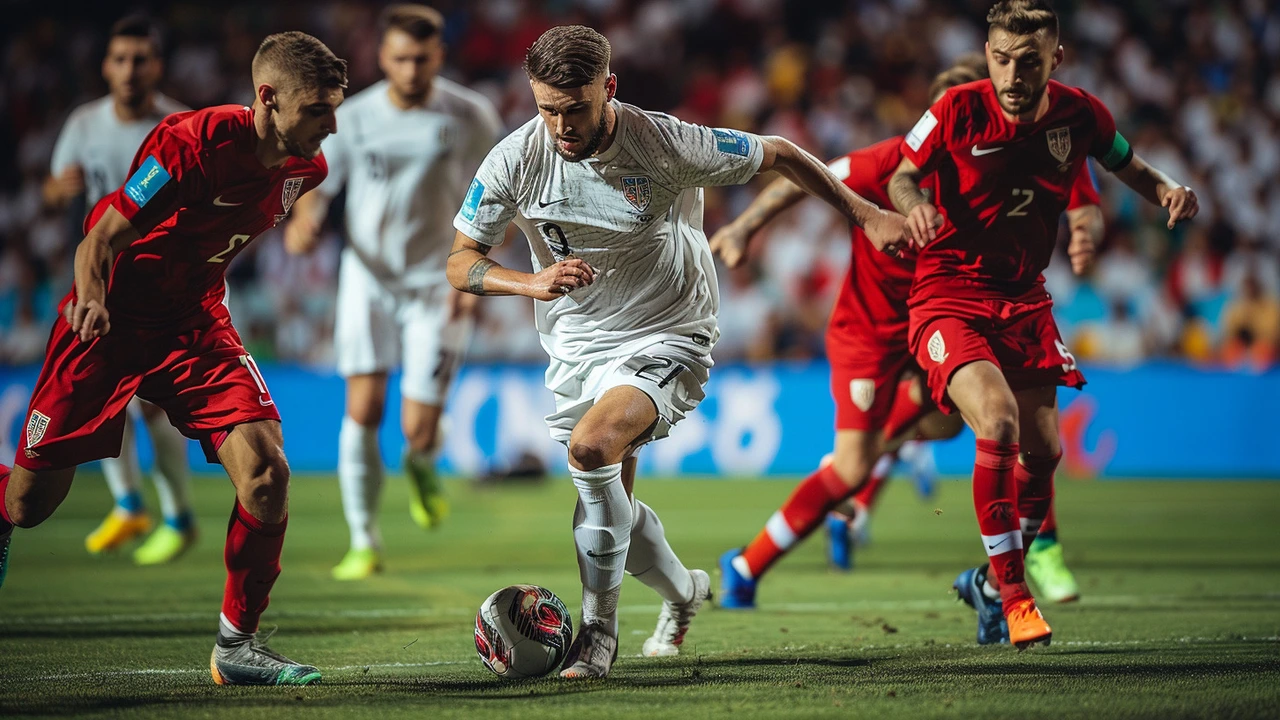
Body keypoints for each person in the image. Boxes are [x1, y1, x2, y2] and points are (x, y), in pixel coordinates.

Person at [448, 25, 909, 679]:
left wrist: (866, 215)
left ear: (608, 88)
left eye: (574, 107)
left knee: (591, 449)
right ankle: (687, 590)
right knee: (610, 498)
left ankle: (599, 635)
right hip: (577, 343)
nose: (560, 124)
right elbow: (459, 261)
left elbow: (779, 153)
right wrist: (530, 281)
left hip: (671, 327)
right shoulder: (514, 160)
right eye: (547, 108)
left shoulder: (662, 141)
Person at [0, 31, 348, 686]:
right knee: (28, 505)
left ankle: (236, 646)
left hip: (192, 323)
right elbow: (99, 239)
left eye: (335, 108)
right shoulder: (191, 144)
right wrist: (95, 302)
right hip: (106, 324)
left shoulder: (308, 171)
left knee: (267, 472)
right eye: (317, 110)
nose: (331, 126)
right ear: (268, 99)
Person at [712, 61, 1101, 618]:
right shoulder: (891, 163)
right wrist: (743, 228)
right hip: (870, 335)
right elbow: (808, 176)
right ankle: (749, 564)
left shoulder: (1002, 167)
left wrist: (1083, 222)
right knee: (850, 466)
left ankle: (1004, 566)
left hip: (942, 325)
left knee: (973, 423)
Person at [888, 0, 1197, 649]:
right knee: (996, 422)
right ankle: (1017, 595)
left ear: (1055, 59)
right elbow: (902, 176)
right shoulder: (955, 108)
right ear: (988, 51)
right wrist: (915, 207)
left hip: (1024, 298)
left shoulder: (1080, 115)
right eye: (1000, 58)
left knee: (1046, 452)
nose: (1010, 75)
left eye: (1027, 61)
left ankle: (989, 584)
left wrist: (1167, 190)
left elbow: (1127, 165)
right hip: (949, 291)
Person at [285, 4, 502, 581]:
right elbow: (316, 186)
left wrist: (473, 271)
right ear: (382, 57)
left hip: (439, 279)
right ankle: (363, 540)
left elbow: (498, 194)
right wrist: (305, 220)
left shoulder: (469, 115)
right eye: (400, 59)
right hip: (368, 278)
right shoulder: (352, 119)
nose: (410, 70)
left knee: (415, 429)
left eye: (421, 59)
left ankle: (423, 460)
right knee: (363, 406)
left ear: (440, 56)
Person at [44, 14, 197, 565]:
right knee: (103, 396)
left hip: (163, 286)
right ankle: (132, 504)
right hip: (99, 281)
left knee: (152, 405)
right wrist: (57, 191)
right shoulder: (84, 124)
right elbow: (55, 188)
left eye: (142, 59)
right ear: (106, 66)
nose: (131, 69)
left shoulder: (181, 126)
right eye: (121, 58)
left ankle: (175, 513)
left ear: (158, 65)